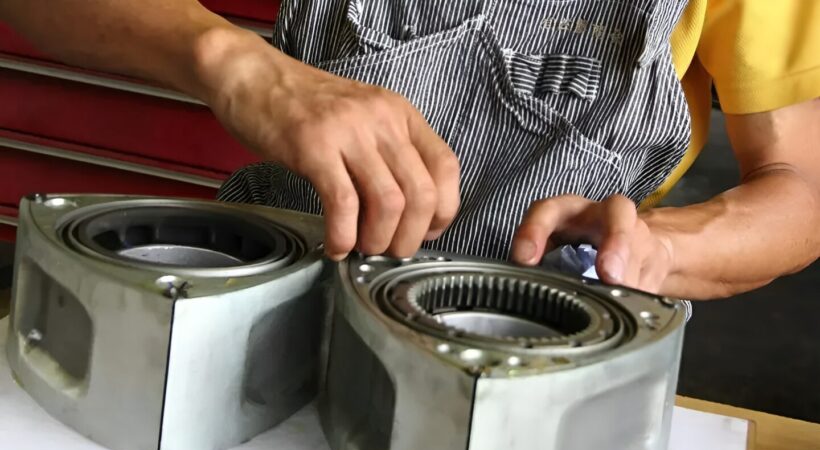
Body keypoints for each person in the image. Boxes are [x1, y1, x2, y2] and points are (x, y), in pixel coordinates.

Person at [1, 0, 818, 300]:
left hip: (545, 366)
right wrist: (235, 64)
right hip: (255, 306)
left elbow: (800, 183)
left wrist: (660, 250)